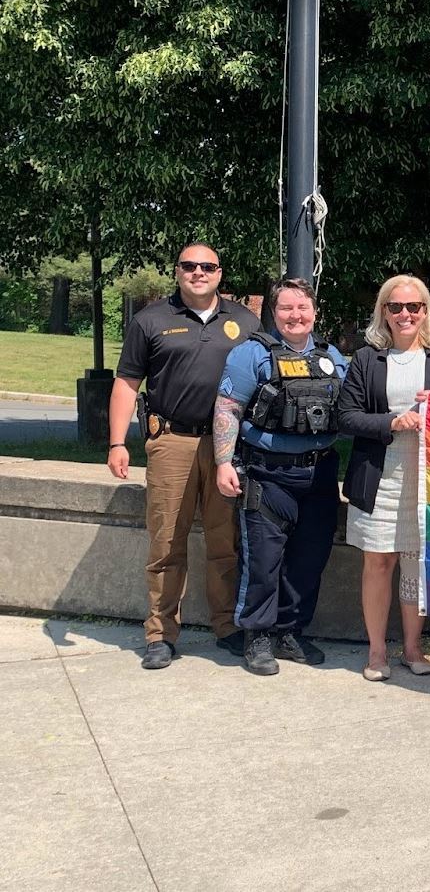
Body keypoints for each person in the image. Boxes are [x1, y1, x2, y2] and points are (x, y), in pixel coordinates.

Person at [107, 241, 260, 669]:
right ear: (177, 271)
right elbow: (126, 383)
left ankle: (227, 626)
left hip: (227, 446)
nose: (198, 272)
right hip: (171, 441)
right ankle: (160, 633)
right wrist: (117, 443)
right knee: (167, 541)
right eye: (189, 265)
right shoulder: (151, 319)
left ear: (219, 273)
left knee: (224, 542)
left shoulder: (244, 321)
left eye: (207, 266)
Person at [212, 278, 346, 675]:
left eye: (303, 308)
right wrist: (223, 462)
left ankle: (291, 632)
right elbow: (227, 408)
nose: (295, 316)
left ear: (315, 312)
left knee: (309, 559)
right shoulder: (251, 354)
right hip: (268, 475)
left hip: (320, 473)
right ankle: (257, 636)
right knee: (264, 561)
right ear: (273, 311)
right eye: (286, 308)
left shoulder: (332, 356)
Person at [337, 275, 430, 682]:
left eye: (414, 307)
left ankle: (412, 648)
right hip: (378, 475)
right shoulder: (365, 359)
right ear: (384, 312)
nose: (405, 314)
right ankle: (377, 652)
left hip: (425, 477)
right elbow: (347, 416)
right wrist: (393, 421)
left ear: (425, 312)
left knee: (414, 564)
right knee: (378, 562)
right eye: (396, 307)